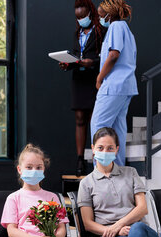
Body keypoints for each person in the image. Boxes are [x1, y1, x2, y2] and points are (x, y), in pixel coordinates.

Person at [59, 0, 106, 176]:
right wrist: (67, 64)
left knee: (95, 118)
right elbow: (76, 55)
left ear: (91, 13)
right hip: (78, 79)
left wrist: (92, 63)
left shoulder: (101, 31)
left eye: (83, 16)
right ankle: (80, 159)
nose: (80, 20)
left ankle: (97, 156)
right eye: (77, 17)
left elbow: (106, 57)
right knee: (79, 117)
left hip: (94, 79)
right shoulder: (76, 33)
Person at [90, 0, 137, 166]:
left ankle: (100, 172)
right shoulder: (126, 30)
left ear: (109, 14)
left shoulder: (116, 27)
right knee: (118, 131)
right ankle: (118, 171)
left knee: (98, 126)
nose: (99, 17)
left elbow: (114, 55)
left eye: (101, 14)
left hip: (114, 86)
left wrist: (99, 77)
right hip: (125, 87)